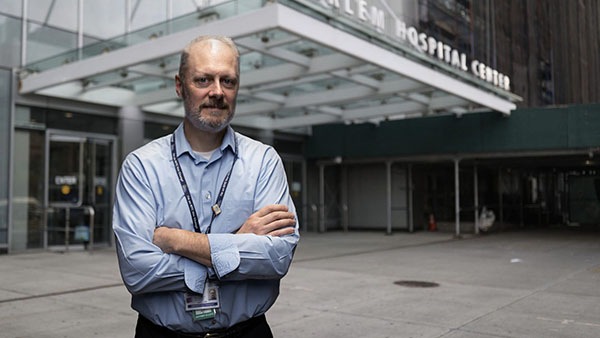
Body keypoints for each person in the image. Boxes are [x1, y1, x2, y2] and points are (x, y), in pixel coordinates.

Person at [112, 35, 299, 338]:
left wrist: (178, 241)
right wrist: (238, 243)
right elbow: (138, 271)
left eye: (228, 81)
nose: (217, 92)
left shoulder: (264, 161)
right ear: (179, 85)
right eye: (203, 80)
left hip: (247, 332)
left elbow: (276, 258)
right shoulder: (142, 166)